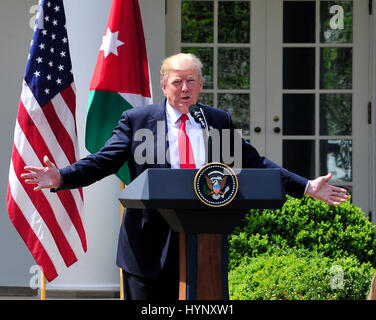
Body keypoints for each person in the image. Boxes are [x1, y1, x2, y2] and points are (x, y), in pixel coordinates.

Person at [21, 53, 348, 300]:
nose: (185, 87)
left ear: (201, 85)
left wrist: (306, 186)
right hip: (148, 244)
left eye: (192, 80)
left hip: (203, 241)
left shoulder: (217, 121)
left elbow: (254, 161)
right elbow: (104, 161)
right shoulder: (137, 120)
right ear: (164, 86)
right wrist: (62, 177)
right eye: (177, 81)